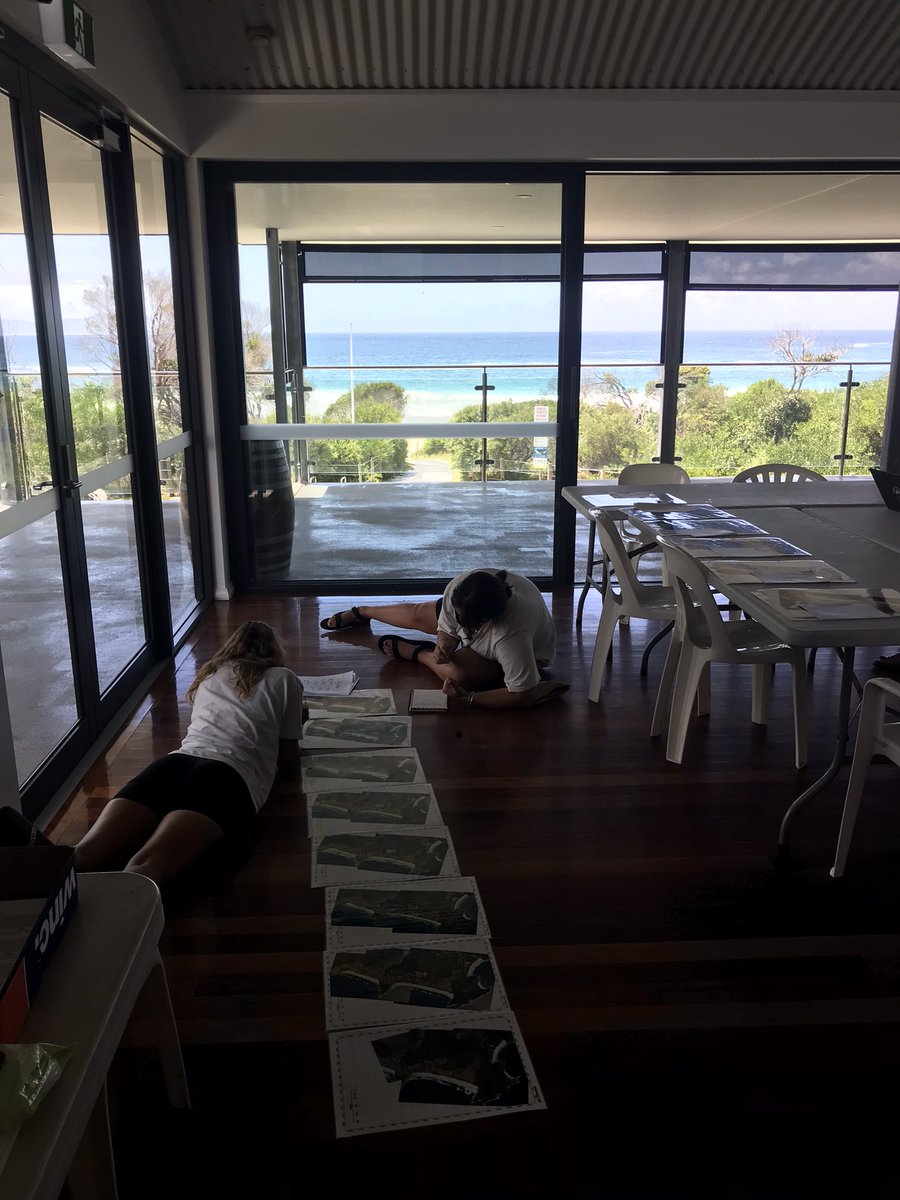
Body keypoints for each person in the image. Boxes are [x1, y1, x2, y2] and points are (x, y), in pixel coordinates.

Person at [72, 621, 303, 885]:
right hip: (225, 778)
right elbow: (287, 763)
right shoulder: (285, 679)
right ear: (274, 651)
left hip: (173, 765)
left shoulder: (210, 674)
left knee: (84, 853)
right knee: (145, 866)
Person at [320, 569, 561, 709]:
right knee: (417, 615)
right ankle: (363, 612)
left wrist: (469, 698)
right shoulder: (462, 589)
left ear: (482, 622)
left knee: (459, 676)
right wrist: (445, 642)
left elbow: (523, 695)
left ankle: (419, 653)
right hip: (476, 611)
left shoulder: (510, 635)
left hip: (517, 654)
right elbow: (448, 625)